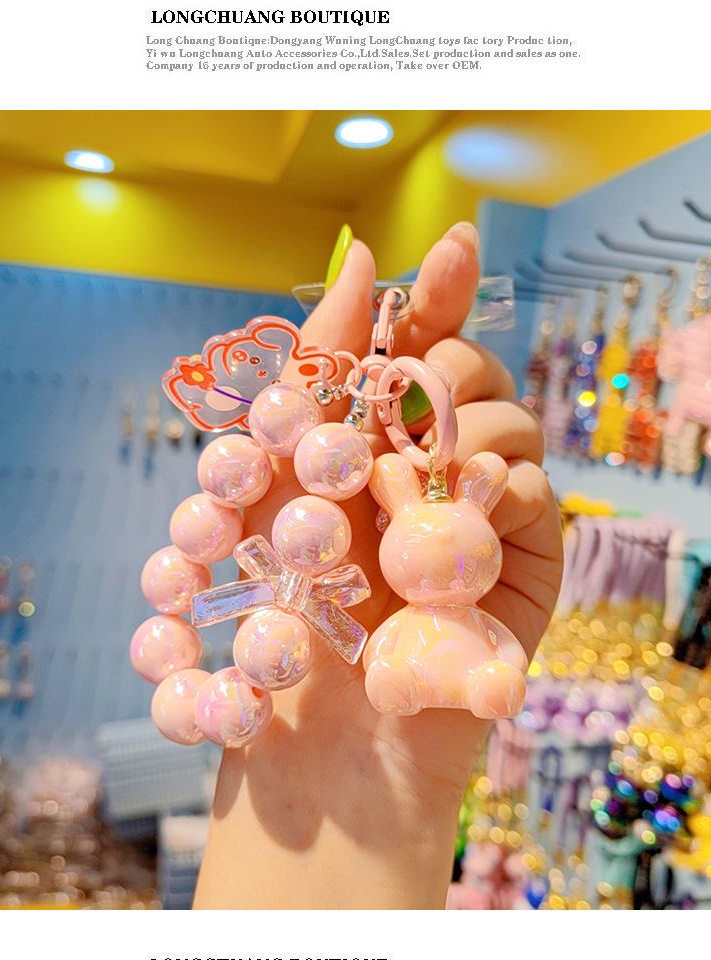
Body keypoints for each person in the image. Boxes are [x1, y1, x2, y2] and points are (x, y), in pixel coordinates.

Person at [192, 222, 564, 909]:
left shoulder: (469, 600)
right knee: (396, 667)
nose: (445, 564)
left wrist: (498, 673)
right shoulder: (368, 615)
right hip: (362, 676)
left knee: (480, 669)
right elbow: (378, 645)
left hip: (431, 713)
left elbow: (497, 647)